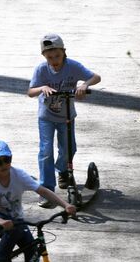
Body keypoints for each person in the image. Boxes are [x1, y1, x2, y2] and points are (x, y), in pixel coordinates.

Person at [27, 33, 101, 208]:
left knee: (69, 147)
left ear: (64, 52)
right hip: (46, 117)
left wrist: (84, 85)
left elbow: (96, 77)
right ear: (44, 56)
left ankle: (63, 170)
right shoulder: (41, 70)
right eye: (50, 57)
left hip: (67, 115)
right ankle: (47, 188)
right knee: (46, 151)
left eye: (57, 56)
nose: (54, 60)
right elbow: (30, 92)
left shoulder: (73, 67)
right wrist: (41, 88)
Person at [0, 140, 77, 262]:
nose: (3, 164)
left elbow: (43, 191)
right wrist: (1, 222)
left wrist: (66, 205)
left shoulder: (19, 175)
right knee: (12, 233)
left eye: (6, 160)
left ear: (11, 158)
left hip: (16, 219)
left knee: (32, 251)